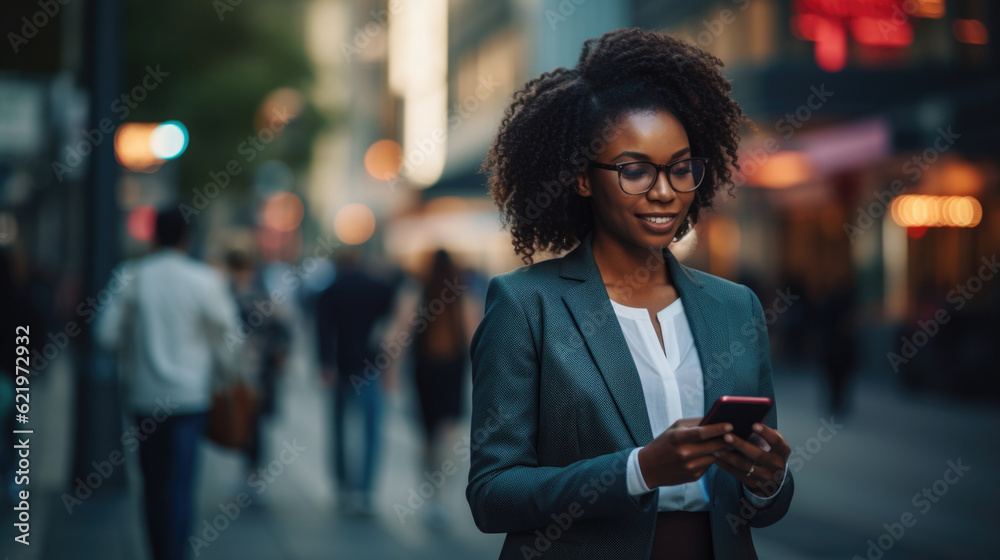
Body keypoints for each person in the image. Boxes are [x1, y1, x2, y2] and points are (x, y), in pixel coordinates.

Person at [466, 28, 794, 559]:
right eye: (635, 170)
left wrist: (768, 479)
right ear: (580, 179)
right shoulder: (526, 306)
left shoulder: (735, 308)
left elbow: (764, 507)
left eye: (680, 168)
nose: (664, 191)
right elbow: (491, 494)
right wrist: (637, 470)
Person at [96, 208, 238, 560]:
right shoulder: (205, 279)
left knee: (152, 484)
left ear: (153, 237)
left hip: (145, 397)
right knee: (181, 486)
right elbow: (230, 341)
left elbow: (105, 334)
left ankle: (158, 552)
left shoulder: (132, 277)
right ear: (186, 240)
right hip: (191, 398)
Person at [315, 249, 402, 516]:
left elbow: (323, 330)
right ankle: (365, 489)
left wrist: (325, 364)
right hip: (370, 364)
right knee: (371, 428)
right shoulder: (378, 287)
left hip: (342, 364)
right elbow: (393, 322)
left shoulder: (330, 290)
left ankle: (343, 484)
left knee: (339, 425)